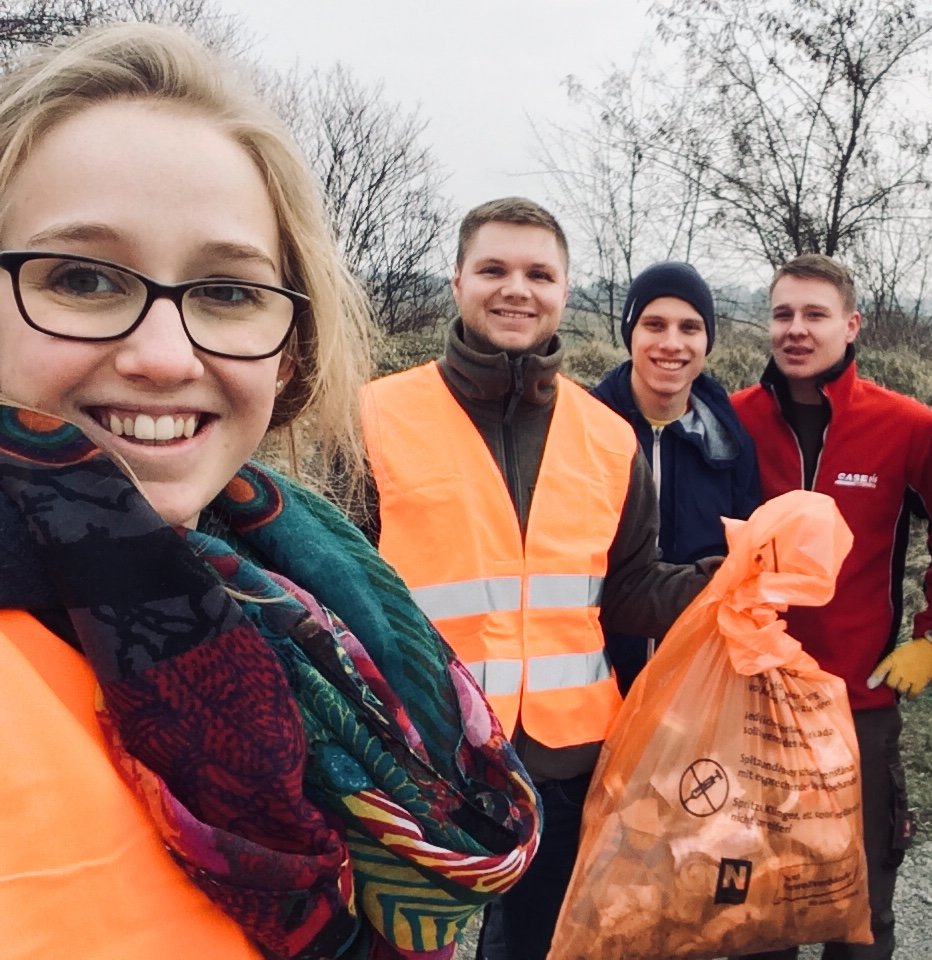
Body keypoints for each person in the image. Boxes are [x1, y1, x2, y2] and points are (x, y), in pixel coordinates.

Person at [0, 24, 539, 959]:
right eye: (81, 279)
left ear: (290, 350)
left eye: (227, 292)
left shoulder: (294, 591)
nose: (165, 357)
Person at [361, 198, 715, 960]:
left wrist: (730, 581)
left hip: (565, 766)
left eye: (539, 274)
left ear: (564, 290)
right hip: (420, 757)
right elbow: (332, 592)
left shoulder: (609, 437)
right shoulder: (376, 418)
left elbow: (627, 591)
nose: (516, 289)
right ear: (457, 281)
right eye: (493, 269)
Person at [730, 253, 932, 960]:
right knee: (755, 913)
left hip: (856, 704)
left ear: (851, 325)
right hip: (753, 702)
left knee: (856, 912)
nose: (796, 330)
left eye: (815, 315)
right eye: (783, 314)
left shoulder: (905, 426)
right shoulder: (733, 420)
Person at [591, 260, 760, 693]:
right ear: (630, 333)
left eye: (690, 328)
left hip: (695, 688)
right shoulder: (583, 430)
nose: (672, 343)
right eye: (654, 324)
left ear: (707, 341)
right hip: (597, 686)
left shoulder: (733, 444)